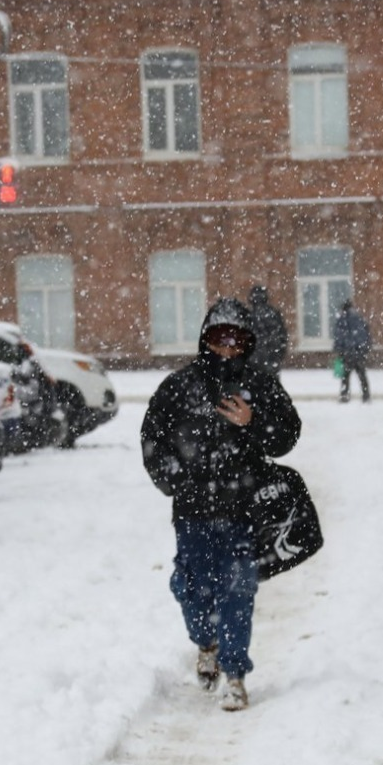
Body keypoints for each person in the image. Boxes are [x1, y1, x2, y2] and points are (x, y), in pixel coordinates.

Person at [140, 297, 302, 712]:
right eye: (218, 337)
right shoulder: (179, 387)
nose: (227, 347)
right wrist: (174, 478)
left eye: (236, 339)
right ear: (205, 339)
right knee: (191, 588)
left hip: (242, 508)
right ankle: (205, 642)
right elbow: (152, 438)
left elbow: (286, 436)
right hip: (192, 510)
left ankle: (234, 674)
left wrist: (254, 422)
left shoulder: (261, 384)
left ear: (247, 342)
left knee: (238, 589)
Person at [332, 300, 372, 403]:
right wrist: (365, 349)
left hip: (347, 353)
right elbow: (365, 335)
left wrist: (338, 349)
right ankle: (366, 395)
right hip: (359, 352)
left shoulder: (342, 320)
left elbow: (339, 336)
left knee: (345, 376)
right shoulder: (359, 319)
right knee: (362, 375)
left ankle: (344, 395)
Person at [246, 285, 289, 374]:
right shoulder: (273, 314)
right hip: (271, 360)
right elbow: (282, 337)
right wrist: (278, 356)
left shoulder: (248, 315)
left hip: (253, 362)